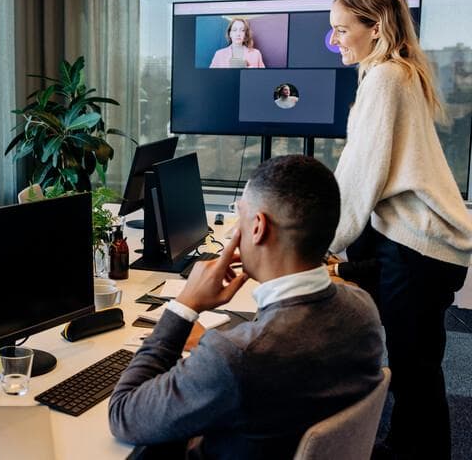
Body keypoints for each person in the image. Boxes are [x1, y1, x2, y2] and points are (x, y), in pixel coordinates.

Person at [109, 155, 384, 459]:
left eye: (240, 216)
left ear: (258, 228)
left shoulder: (236, 358)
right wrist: (215, 343)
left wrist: (185, 305)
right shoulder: (363, 309)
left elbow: (124, 415)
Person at [328, 0, 472, 460]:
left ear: (376, 28)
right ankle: (408, 444)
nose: (336, 40)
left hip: (419, 246)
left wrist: (321, 242)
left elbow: (360, 173)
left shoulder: (386, 77)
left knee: (415, 371)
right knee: (418, 365)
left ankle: (420, 451)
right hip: (421, 243)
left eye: (342, 29)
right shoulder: (395, 72)